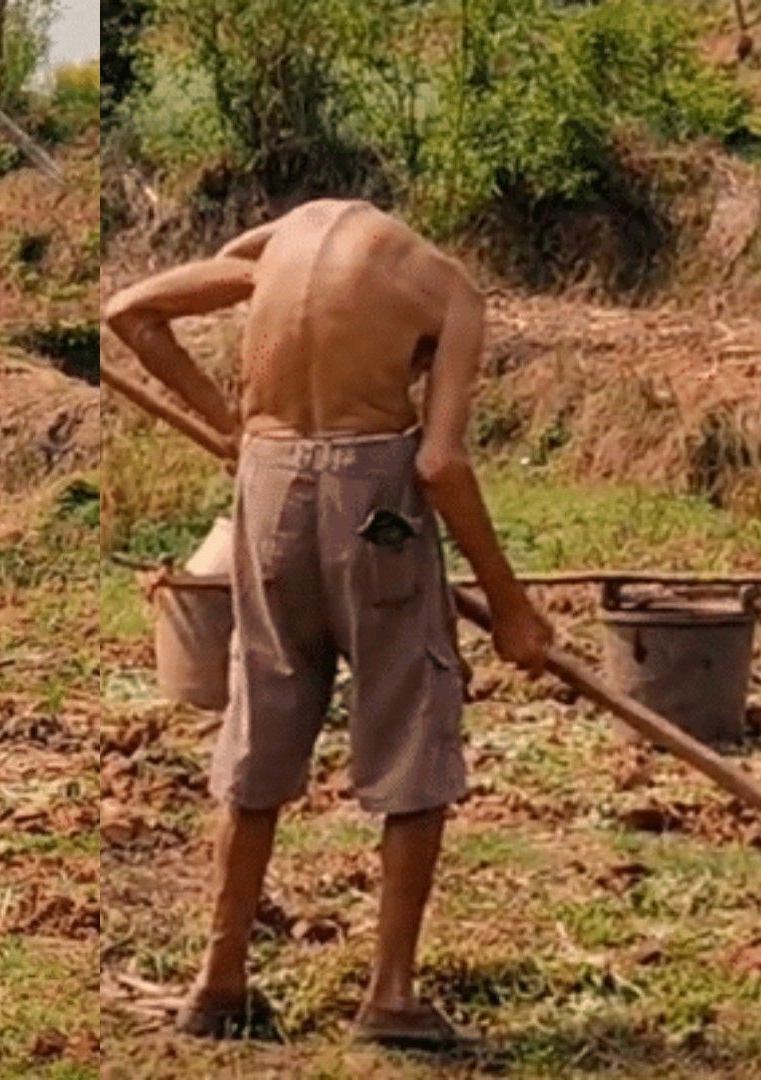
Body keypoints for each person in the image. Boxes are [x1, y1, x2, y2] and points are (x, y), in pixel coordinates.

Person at [105, 200, 553, 1049]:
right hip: (372, 500)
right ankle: (390, 998)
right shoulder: (451, 294)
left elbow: (131, 313)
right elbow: (440, 461)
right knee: (413, 721)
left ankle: (220, 982)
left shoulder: (279, 247)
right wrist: (512, 608)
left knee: (261, 719)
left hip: (267, 491)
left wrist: (233, 426)